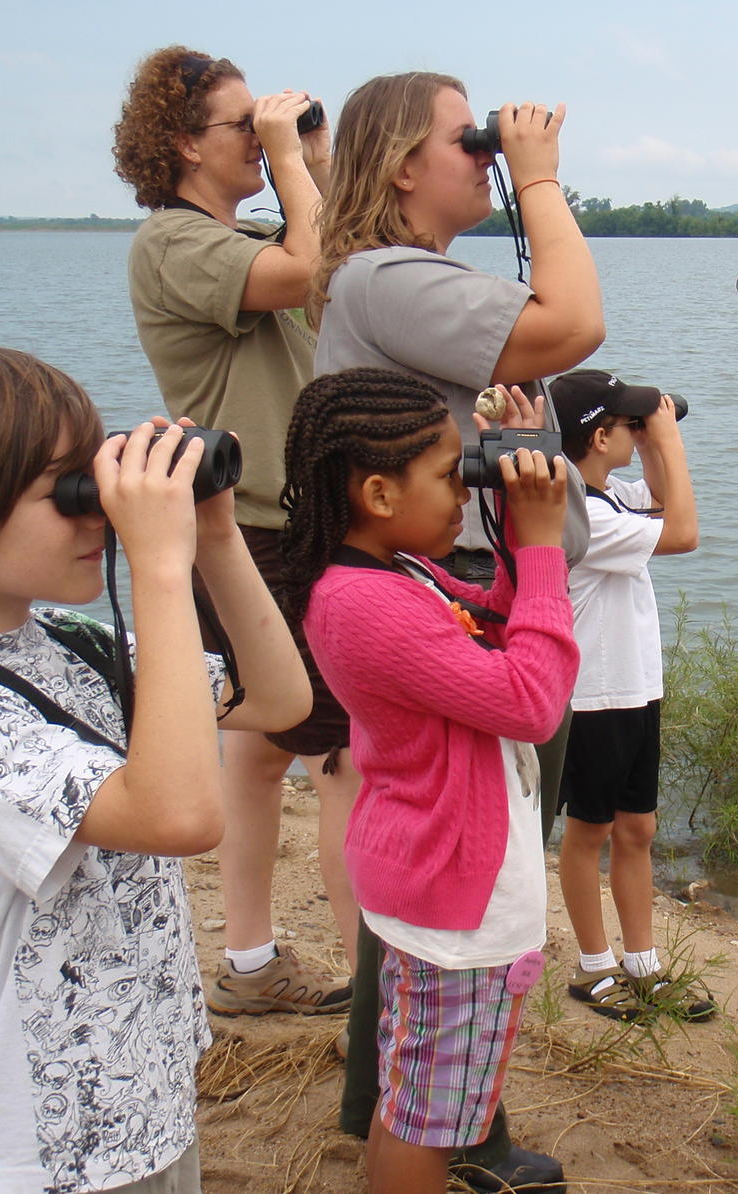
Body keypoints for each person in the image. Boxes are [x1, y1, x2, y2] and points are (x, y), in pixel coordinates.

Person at [0, 335, 312, 1193]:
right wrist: (156, 559)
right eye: (66, 491)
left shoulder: (64, 644)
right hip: (46, 1136)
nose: (97, 511)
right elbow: (179, 817)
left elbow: (278, 699)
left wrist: (215, 538)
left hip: (145, 1092)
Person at [309, 70, 603, 1185]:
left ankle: (446, 1116)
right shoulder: (385, 277)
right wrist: (538, 180)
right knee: (450, 890)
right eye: (463, 138)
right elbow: (574, 322)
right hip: (465, 617)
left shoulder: (400, 282)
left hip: (468, 600)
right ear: (396, 164)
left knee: (455, 892)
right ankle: (421, 1123)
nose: (482, 150)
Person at [278, 367, 579, 1194]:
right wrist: (548, 543)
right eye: (452, 476)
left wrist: (519, 521)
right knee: (432, 1118)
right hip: (453, 896)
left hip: (432, 875)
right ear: (378, 491)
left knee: (419, 1097)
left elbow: (502, 628)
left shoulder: (392, 574)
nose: (462, 492)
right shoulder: (365, 602)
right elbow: (533, 698)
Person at [113, 45, 357, 1016]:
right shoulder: (172, 243)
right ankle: (380, 999)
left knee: (260, 752)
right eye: (240, 124)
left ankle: (250, 965)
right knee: (347, 759)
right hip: (262, 530)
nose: (261, 139)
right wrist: (294, 165)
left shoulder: (247, 230)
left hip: (282, 522)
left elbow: (338, 263)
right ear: (182, 143)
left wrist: (316, 158)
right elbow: (302, 265)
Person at [547, 368, 712, 1022]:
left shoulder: (609, 493)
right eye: (625, 423)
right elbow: (683, 532)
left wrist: (651, 443)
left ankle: (643, 963)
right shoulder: (580, 512)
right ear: (594, 435)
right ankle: (593, 968)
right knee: (589, 832)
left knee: (638, 827)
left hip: (636, 686)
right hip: (589, 695)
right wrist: (665, 439)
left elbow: (666, 500)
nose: (635, 432)